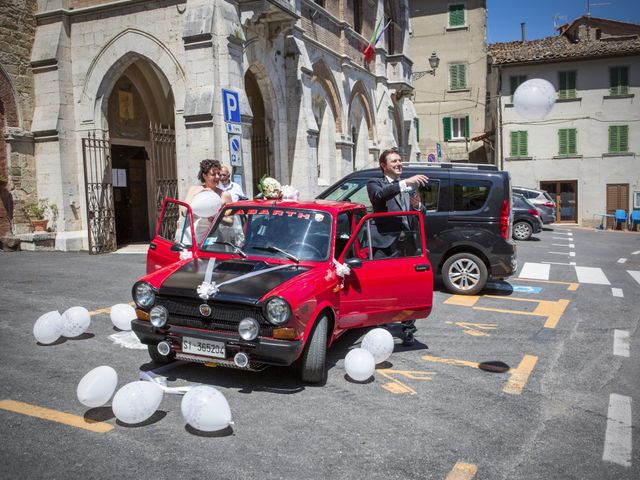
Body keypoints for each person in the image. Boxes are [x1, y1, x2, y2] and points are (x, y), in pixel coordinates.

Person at [367, 147, 428, 346]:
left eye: (400, 160)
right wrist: (404, 183)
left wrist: (418, 206)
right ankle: (382, 328)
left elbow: (419, 212)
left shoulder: (410, 186)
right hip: (384, 245)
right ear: (383, 166)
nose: (399, 164)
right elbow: (379, 196)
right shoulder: (375, 183)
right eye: (394, 161)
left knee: (407, 289)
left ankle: (408, 328)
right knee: (383, 288)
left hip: (407, 246)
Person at [183, 159, 232, 244]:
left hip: (213, 239)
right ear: (204, 175)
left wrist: (217, 219)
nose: (217, 177)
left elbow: (231, 221)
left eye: (218, 174)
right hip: (192, 238)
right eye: (213, 174)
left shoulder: (225, 195)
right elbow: (184, 212)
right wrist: (198, 195)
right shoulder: (194, 190)